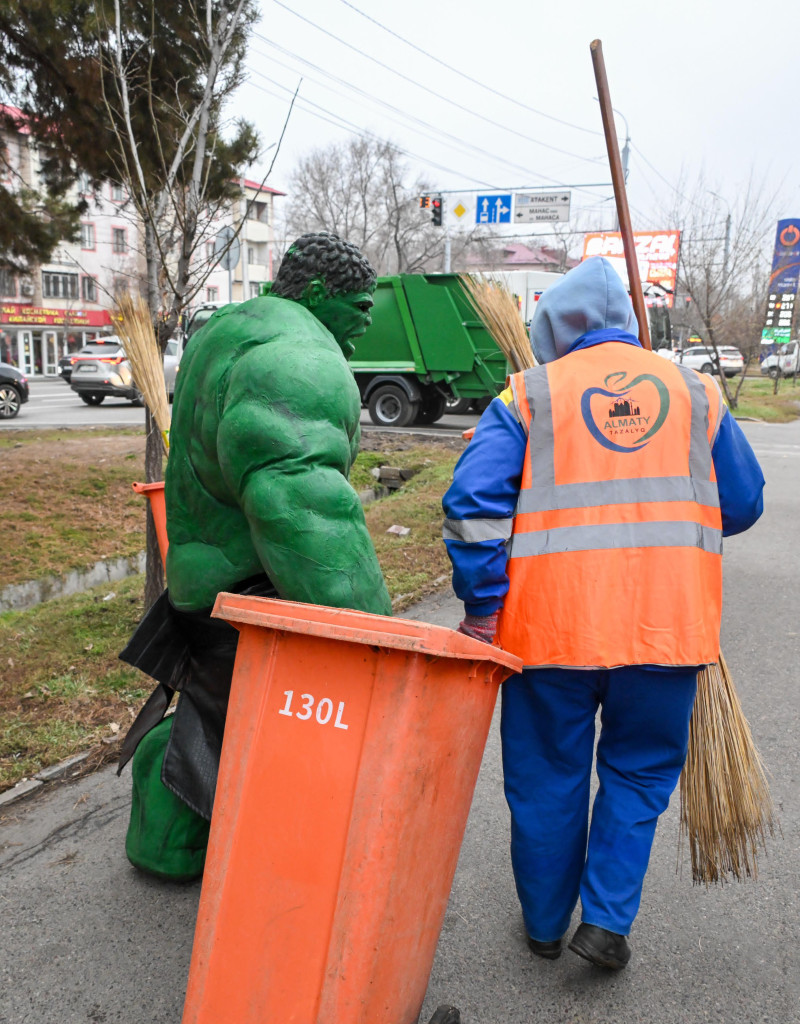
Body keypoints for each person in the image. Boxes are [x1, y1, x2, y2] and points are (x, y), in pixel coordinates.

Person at [442, 257, 764, 969]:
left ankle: (544, 926)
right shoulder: (698, 393)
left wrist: (483, 606)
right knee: (639, 772)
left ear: (554, 329)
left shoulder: (528, 396)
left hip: (547, 635)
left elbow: (471, 510)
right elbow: (743, 505)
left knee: (546, 778)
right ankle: (607, 922)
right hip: (668, 633)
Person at [118, 232, 392, 881]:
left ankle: (170, 844)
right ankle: (181, 824)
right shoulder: (296, 356)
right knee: (257, 720)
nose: (367, 321)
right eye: (359, 307)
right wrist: (381, 635)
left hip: (204, 578)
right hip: (254, 588)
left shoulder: (229, 329)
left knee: (224, 711)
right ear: (319, 293)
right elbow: (303, 508)